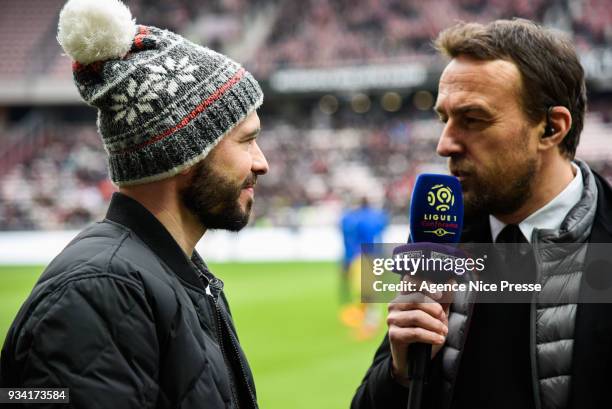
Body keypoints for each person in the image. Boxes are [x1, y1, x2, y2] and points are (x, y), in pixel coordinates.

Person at [0, 0, 268, 408]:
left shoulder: (171, 276)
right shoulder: (99, 292)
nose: (261, 162)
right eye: (247, 140)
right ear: (186, 152)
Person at [352, 19, 612, 409]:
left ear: (551, 129)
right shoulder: (438, 243)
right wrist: (400, 374)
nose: (445, 144)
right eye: (445, 119)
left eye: (472, 120)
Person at [339, 197, 389, 338]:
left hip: (361, 256)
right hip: (375, 254)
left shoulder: (354, 218)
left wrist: (347, 260)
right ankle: (370, 321)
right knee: (368, 290)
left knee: (365, 291)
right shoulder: (379, 217)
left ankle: (370, 323)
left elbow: (349, 239)